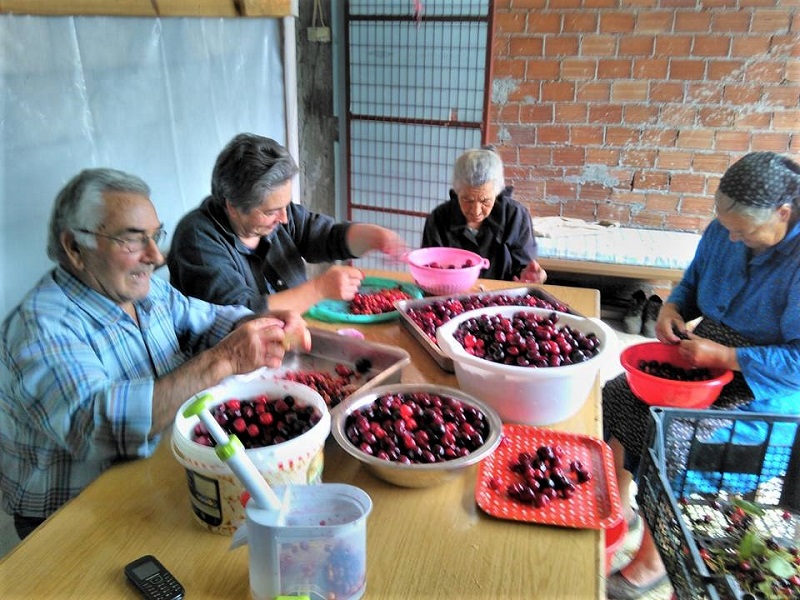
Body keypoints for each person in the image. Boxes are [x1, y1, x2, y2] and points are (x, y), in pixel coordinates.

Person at [0, 168, 310, 540]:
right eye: (133, 241)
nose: (155, 256)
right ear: (74, 248)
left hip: (154, 473)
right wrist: (221, 360)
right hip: (71, 517)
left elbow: (208, 319)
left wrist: (261, 324)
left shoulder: (145, 293)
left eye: (154, 236)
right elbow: (98, 427)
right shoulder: (42, 326)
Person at [603, 151, 800, 599]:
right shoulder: (723, 232)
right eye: (724, 226)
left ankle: (654, 560)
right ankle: (614, 509)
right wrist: (673, 307)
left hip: (764, 384)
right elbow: (692, 282)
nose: (729, 238)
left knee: (676, 437)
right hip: (702, 351)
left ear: (783, 214)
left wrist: (728, 357)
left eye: (742, 231)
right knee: (618, 395)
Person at [167, 133, 409, 313]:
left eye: (286, 205)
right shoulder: (197, 240)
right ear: (233, 206)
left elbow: (324, 237)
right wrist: (319, 289)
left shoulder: (278, 216)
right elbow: (240, 313)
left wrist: (374, 237)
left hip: (296, 333)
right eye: (272, 211)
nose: (284, 218)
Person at [421, 146, 547, 283]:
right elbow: (429, 269)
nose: (476, 211)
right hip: (452, 296)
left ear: (497, 192)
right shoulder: (439, 218)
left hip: (502, 298)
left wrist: (531, 276)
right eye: (467, 200)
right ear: (457, 192)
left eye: (485, 201)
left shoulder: (515, 215)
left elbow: (524, 267)